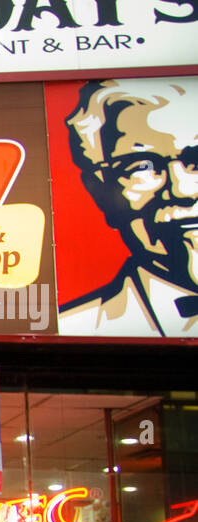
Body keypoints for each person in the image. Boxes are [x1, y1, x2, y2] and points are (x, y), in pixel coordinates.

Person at [58, 79, 198, 337]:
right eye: (141, 167)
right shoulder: (73, 325)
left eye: (196, 160)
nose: (182, 190)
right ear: (98, 190)